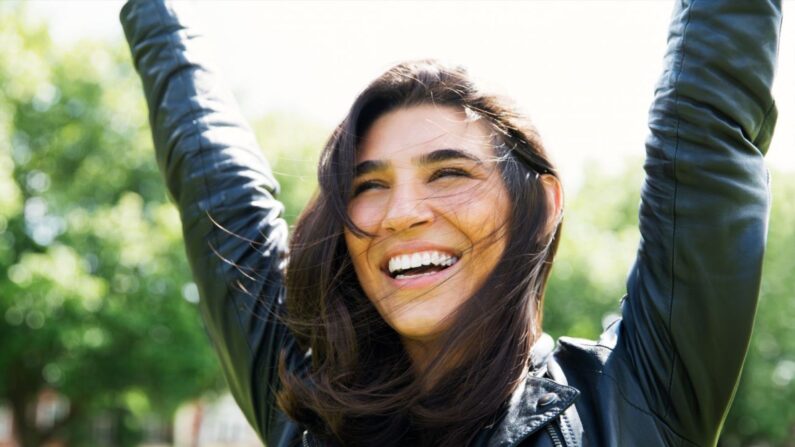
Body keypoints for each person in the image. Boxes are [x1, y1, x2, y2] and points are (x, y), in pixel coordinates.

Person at [120, 0, 781, 445]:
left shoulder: (636, 400)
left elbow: (705, 134)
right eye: (368, 185)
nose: (402, 213)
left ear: (544, 203)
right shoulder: (308, 411)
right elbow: (214, 177)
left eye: (448, 173)